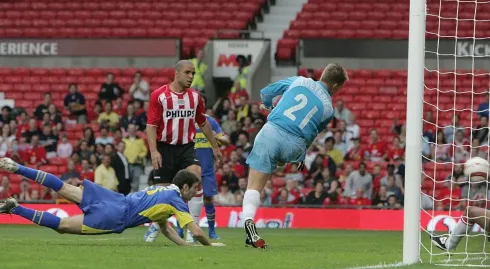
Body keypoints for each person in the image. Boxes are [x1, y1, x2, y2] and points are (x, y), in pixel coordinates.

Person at [0, 158, 225, 247]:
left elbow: (164, 226)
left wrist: (184, 246)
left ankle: (16, 167)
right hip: (115, 216)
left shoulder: (162, 189)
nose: (198, 192)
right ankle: (16, 207)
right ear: (185, 187)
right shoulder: (178, 202)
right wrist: (208, 245)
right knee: (62, 226)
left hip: (112, 198)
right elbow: (196, 231)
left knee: (62, 186)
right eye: (195, 188)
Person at [242, 63, 348, 248]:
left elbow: (266, 92)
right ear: (337, 86)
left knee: (254, 187)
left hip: (272, 132)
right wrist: (300, 155)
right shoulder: (329, 109)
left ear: (322, 74)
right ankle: (282, 161)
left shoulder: (300, 80)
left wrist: (269, 107)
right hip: (295, 146)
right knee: (281, 159)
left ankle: (249, 223)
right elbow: (312, 133)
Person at [146, 60, 223, 242]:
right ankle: (156, 226)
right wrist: (154, 151)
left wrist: (215, 146)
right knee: (162, 195)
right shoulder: (159, 96)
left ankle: (191, 234)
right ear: (177, 73)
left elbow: (202, 122)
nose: (191, 77)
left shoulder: (195, 97)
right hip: (164, 147)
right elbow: (151, 126)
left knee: (196, 176)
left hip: (187, 147)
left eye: (193, 74)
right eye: (187, 73)